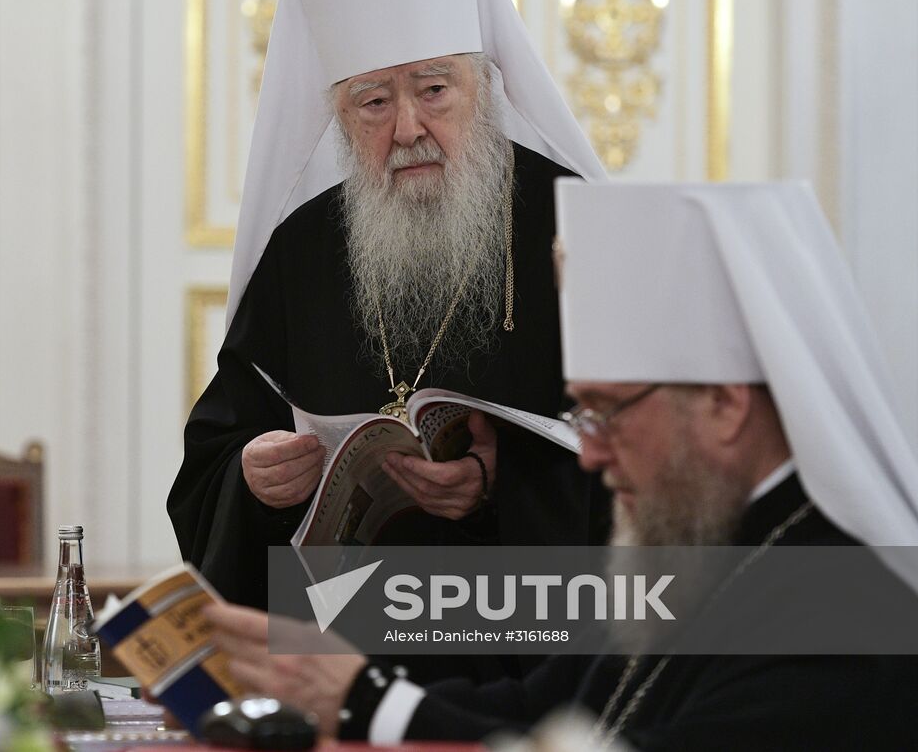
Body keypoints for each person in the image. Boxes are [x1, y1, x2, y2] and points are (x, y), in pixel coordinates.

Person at [206, 181, 918, 750]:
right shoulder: (703, 546)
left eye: (608, 411)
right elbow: (535, 707)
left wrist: (367, 702)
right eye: (583, 414)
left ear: (726, 406)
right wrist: (339, 684)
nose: (593, 449)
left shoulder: (847, 607)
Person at [169, 0, 611, 612]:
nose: (407, 128)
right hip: (341, 642)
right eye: (372, 102)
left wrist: (502, 485)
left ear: (485, 89)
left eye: (434, 91)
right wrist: (251, 483)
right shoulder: (303, 250)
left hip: (527, 639)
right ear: (339, 120)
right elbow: (213, 461)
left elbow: (659, 457)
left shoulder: (581, 227)